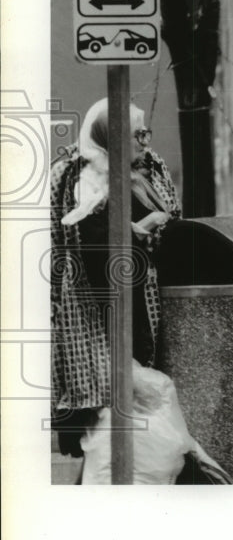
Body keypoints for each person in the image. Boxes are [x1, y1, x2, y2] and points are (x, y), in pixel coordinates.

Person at [50, 98, 181, 467]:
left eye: (145, 133)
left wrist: (149, 230)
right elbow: (94, 252)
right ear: (113, 137)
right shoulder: (83, 177)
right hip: (101, 315)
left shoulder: (148, 170)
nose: (145, 142)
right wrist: (141, 229)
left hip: (145, 306)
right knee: (109, 421)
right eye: (137, 135)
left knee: (141, 420)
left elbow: (173, 221)